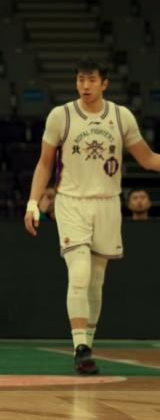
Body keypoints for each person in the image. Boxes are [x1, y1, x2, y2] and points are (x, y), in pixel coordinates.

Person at [24, 58, 160, 375]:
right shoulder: (61, 115)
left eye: (91, 80)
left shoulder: (121, 116)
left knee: (96, 281)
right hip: (71, 202)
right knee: (80, 273)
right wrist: (32, 203)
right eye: (80, 80)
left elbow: (149, 159)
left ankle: (87, 346)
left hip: (107, 203)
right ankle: (80, 347)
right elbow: (44, 163)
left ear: (104, 83)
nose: (85, 86)